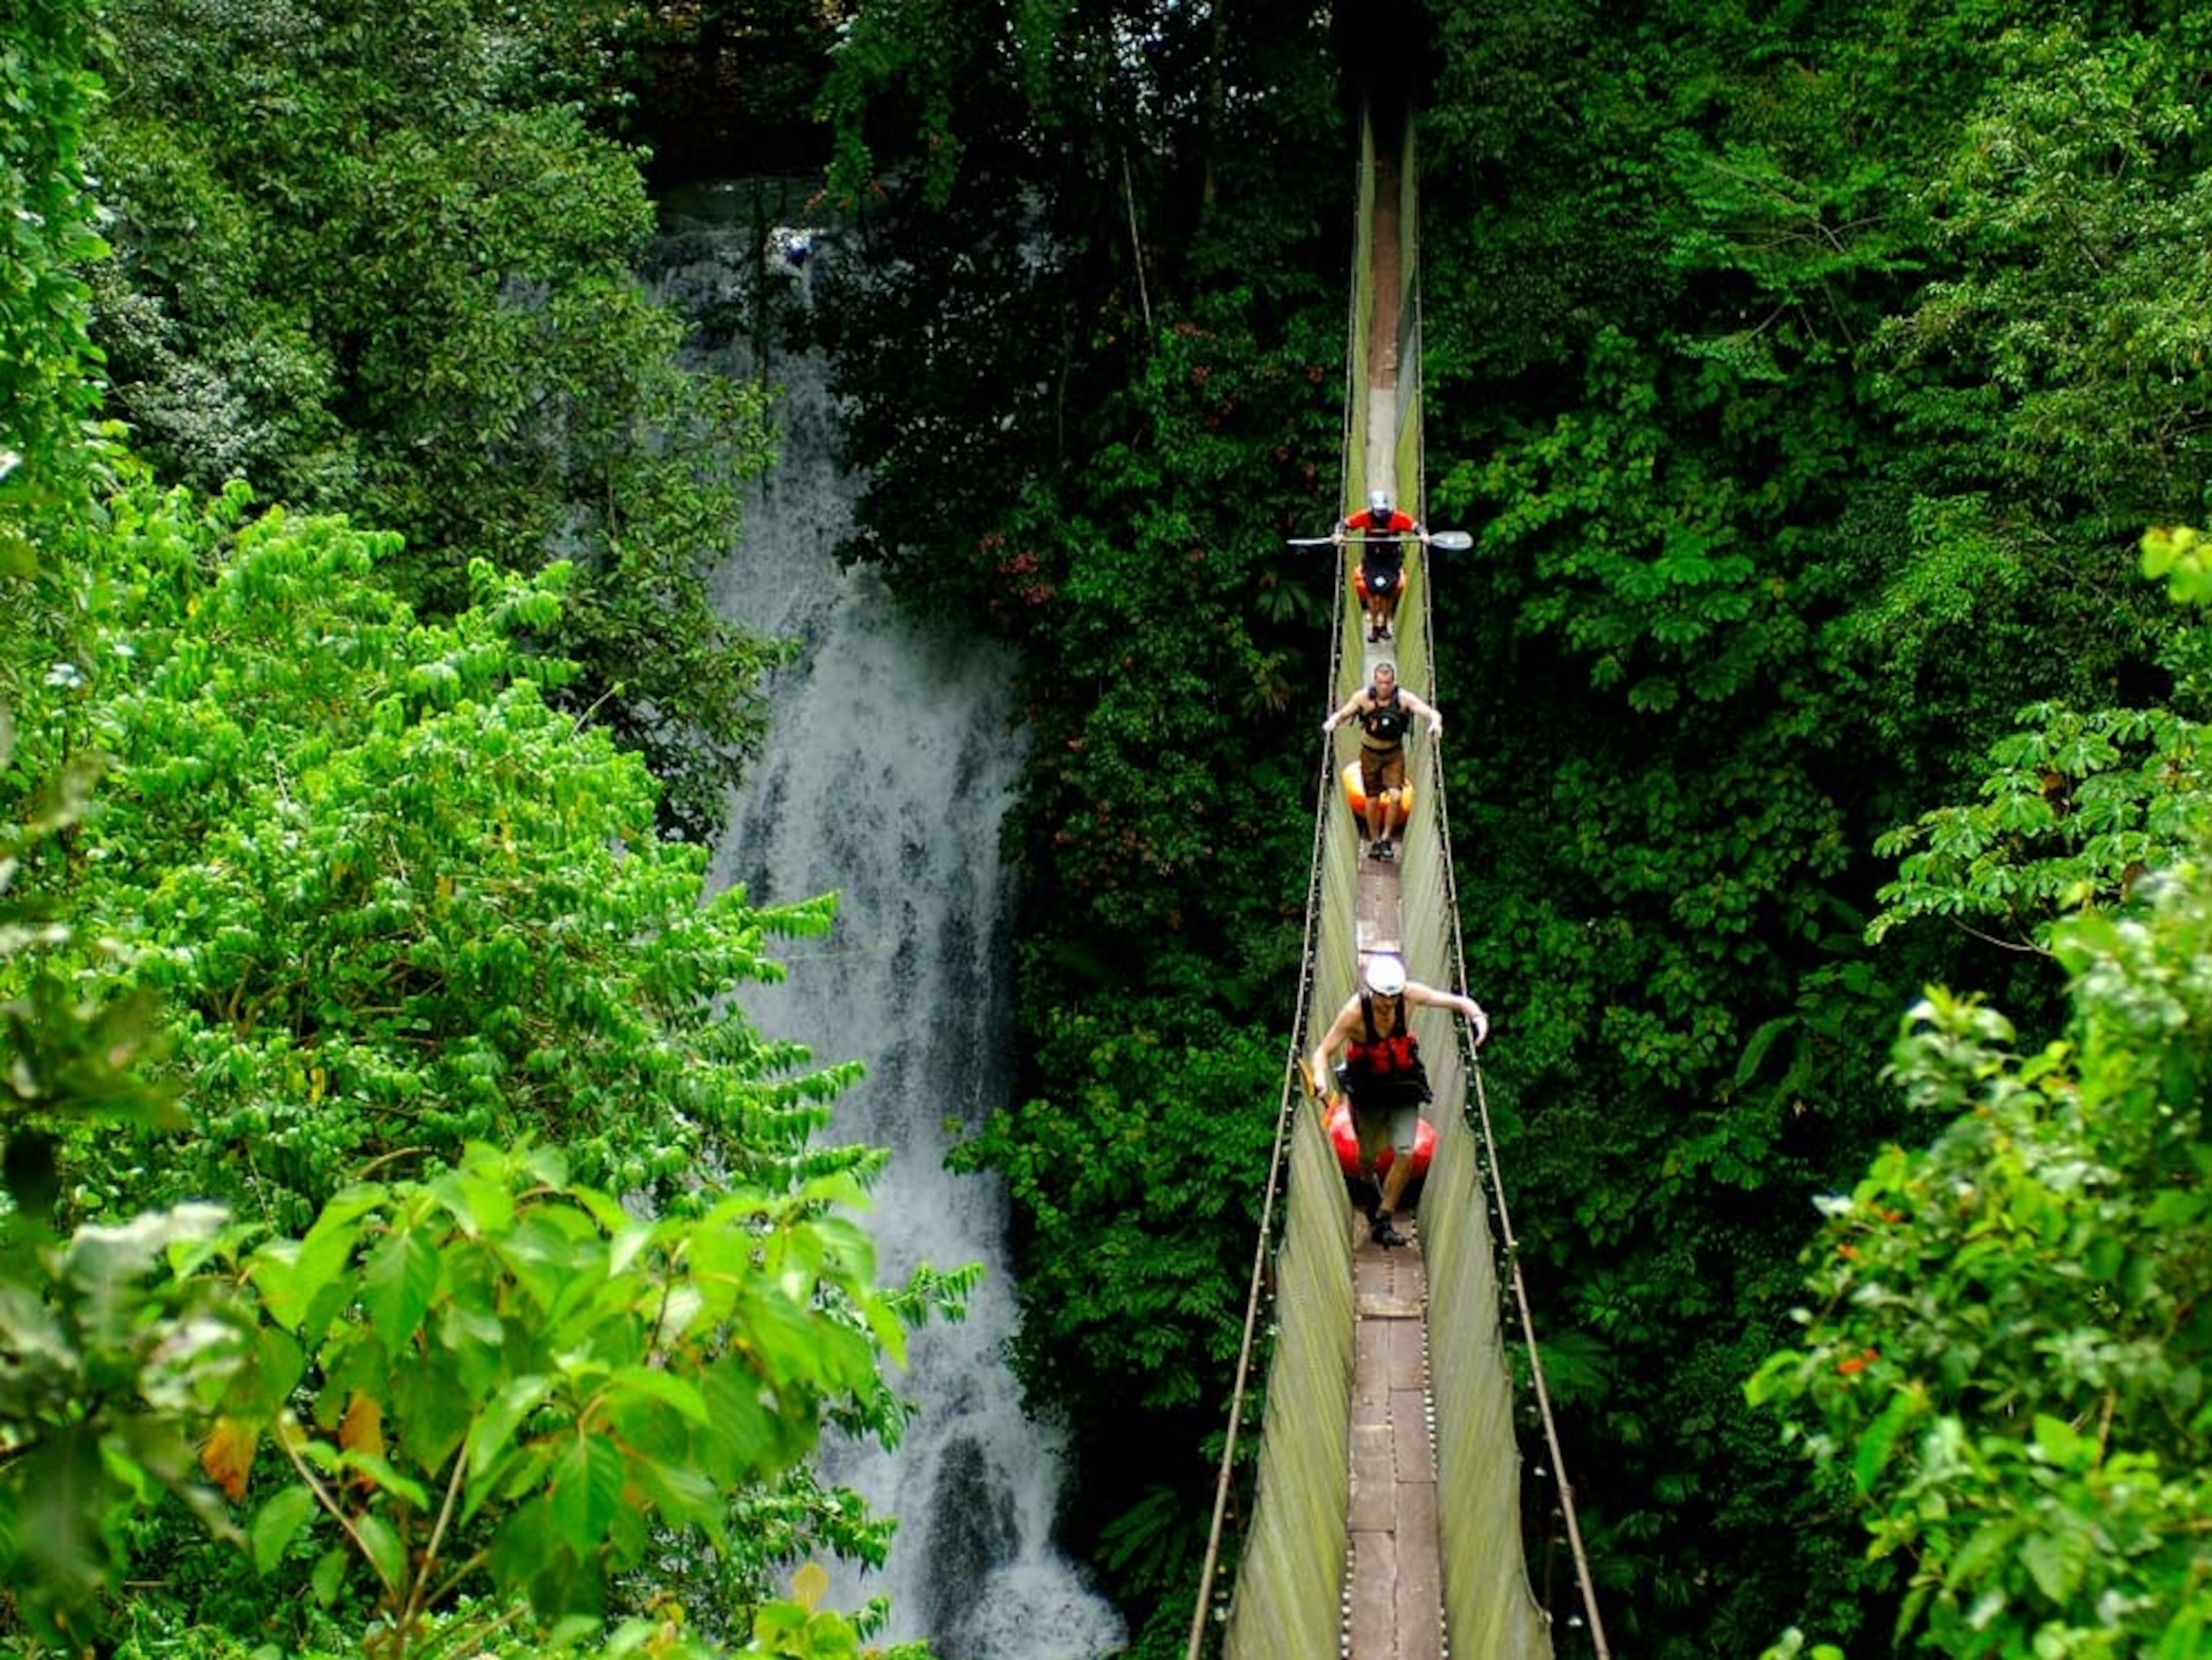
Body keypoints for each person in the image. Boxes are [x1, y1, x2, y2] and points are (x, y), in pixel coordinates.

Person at [1310, 953, 1487, 1248]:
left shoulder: (1409, 997)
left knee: (1405, 1151)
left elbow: (1456, 1002)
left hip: (1403, 1089)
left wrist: (1478, 1017)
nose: (1389, 1005)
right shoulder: (1354, 1012)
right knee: (1367, 1157)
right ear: (1371, 992)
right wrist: (1319, 1077)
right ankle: (1370, 1192)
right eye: (1383, 998)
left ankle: (1383, 1217)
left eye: (1394, 998)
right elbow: (1322, 1052)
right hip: (1368, 1093)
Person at [1321, 659, 1440, 861]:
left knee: (1395, 795)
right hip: (1369, 753)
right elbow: (1344, 713)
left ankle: (1386, 839)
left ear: (1394, 682)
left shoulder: (1403, 699)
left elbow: (1430, 711)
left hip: (1394, 754)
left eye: (1388, 683)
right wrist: (1332, 721)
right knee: (1372, 798)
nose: (1384, 687)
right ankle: (1375, 840)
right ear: (1374, 681)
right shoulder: (1363, 698)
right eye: (1380, 683)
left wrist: (1436, 722)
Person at [1334, 489, 1426, 643]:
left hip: (1390, 561)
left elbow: (1415, 525)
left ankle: (1384, 626)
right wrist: (1339, 533)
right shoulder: (1365, 517)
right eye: (1378, 511)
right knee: (1372, 592)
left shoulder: (1396, 518)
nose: (1380, 514)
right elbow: (1344, 523)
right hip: (1373, 561)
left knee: (1388, 593)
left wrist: (1422, 534)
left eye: (1383, 510)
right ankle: (1375, 627)